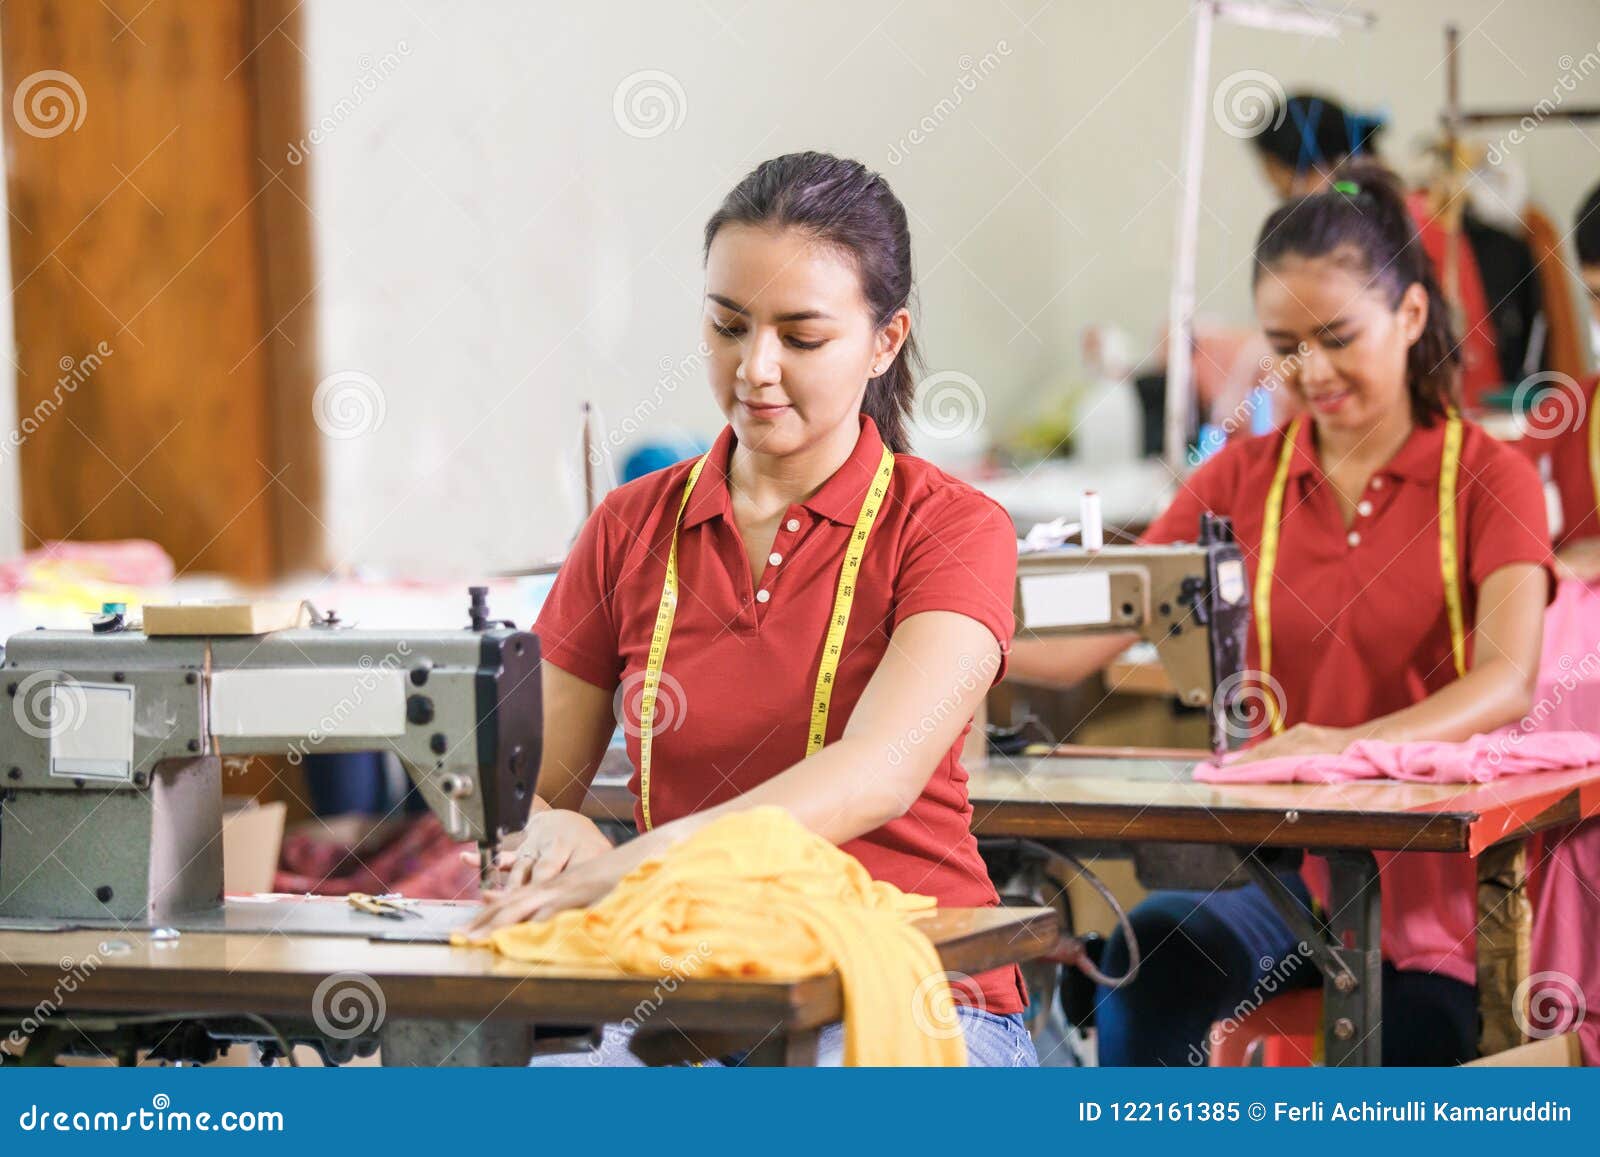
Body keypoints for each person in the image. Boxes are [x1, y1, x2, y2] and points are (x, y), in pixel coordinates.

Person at [462, 151, 1036, 1067]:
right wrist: (546, 827)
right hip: (694, 987)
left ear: (886, 341)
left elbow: (878, 771)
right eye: (729, 326)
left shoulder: (953, 530)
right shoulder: (630, 526)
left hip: (919, 987)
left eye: (801, 338)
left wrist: (637, 859)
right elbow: (529, 783)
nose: (755, 368)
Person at [1008, 160, 1552, 1065]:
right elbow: (1099, 632)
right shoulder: (1239, 480)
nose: (1310, 371)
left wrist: (1346, 743)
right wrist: (937, 633)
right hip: (1279, 880)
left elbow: (1509, 676)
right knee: (1153, 968)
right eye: (1284, 343)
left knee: (1402, 1047)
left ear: (1411, 315)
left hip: (1434, 900)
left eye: (1338, 336)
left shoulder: (1488, 480)